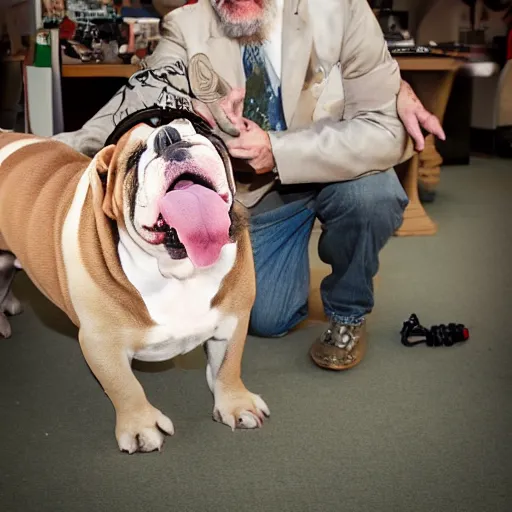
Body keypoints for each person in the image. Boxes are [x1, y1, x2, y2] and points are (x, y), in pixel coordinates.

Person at [53, 0, 445, 371]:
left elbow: (384, 129)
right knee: (268, 318)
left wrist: (278, 151)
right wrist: (45, 149)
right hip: (258, 195)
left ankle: (348, 312)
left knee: (371, 195)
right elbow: (138, 102)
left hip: (338, 176)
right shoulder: (186, 26)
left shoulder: (342, 10)